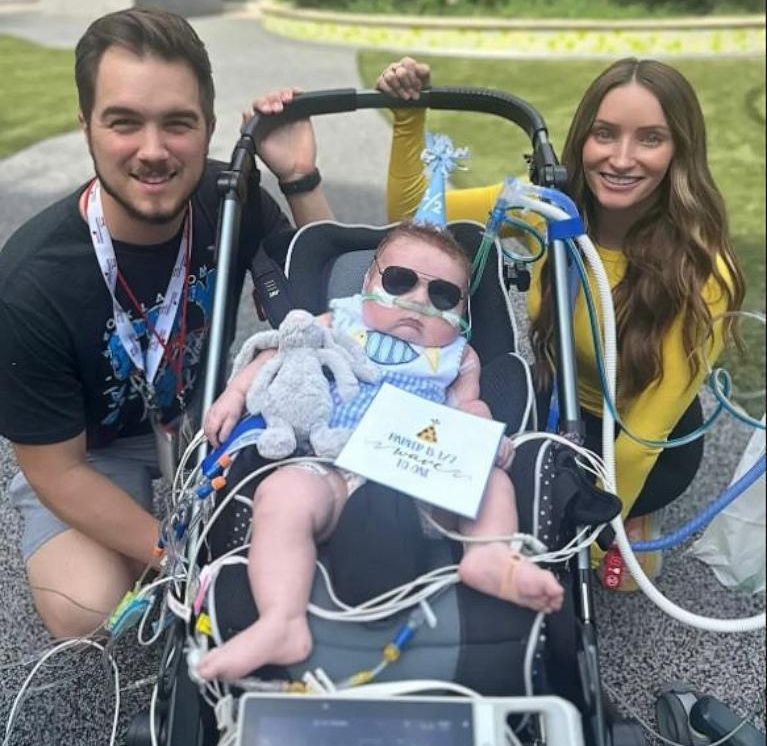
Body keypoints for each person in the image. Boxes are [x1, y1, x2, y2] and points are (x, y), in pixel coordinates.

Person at [0, 6, 331, 638]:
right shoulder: (28, 283)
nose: (153, 151)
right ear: (87, 127)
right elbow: (56, 469)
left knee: (317, 521)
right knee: (84, 605)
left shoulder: (229, 198)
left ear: (207, 127)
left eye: (177, 124)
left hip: (210, 413)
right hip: (94, 448)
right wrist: (179, 557)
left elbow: (325, 305)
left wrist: (297, 174)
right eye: (124, 122)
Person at [376, 56, 745, 590]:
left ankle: (632, 519)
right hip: (557, 404)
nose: (621, 158)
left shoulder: (705, 273)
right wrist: (409, 118)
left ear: (679, 152)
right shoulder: (545, 212)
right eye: (605, 134)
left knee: (556, 545)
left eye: (650, 139)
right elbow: (414, 213)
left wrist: (585, 532)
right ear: (581, 140)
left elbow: (640, 443)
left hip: (646, 441)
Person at [198, 221, 564, 681]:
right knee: (283, 493)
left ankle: (489, 553)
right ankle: (282, 620)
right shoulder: (339, 323)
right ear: (369, 282)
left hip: (422, 474)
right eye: (399, 281)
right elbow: (276, 356)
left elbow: (470, 404)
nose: (417, 301)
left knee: (492, 481)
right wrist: (234, 394)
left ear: (462, 310)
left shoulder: (458, 355)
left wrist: (481, 434)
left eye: (443, 296)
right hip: (335, 465)